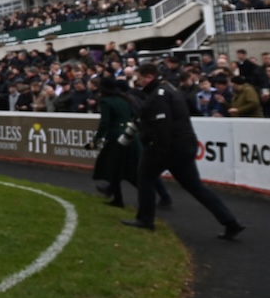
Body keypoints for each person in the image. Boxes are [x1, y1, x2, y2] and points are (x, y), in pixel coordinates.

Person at [122, 63, 245, 239]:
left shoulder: (159, 96)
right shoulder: (169, 91)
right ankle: (230, 222)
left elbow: (162, 126)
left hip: (168, 146)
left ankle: (145, 219)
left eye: (140, 78)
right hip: (183, 144)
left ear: (149, 77)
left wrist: (155, 148)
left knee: (145, 176)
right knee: (195, 187)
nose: (138, 82)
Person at [91, 76, 140, 209]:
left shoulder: (106, 101)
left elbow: (104, 123)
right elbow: (132, 115)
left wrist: (96, 139)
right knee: (128, 167)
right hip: (131, 133)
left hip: (116, 137)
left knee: (114, 167)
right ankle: (118, 198)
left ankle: (119, 199)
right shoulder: (125, 99)